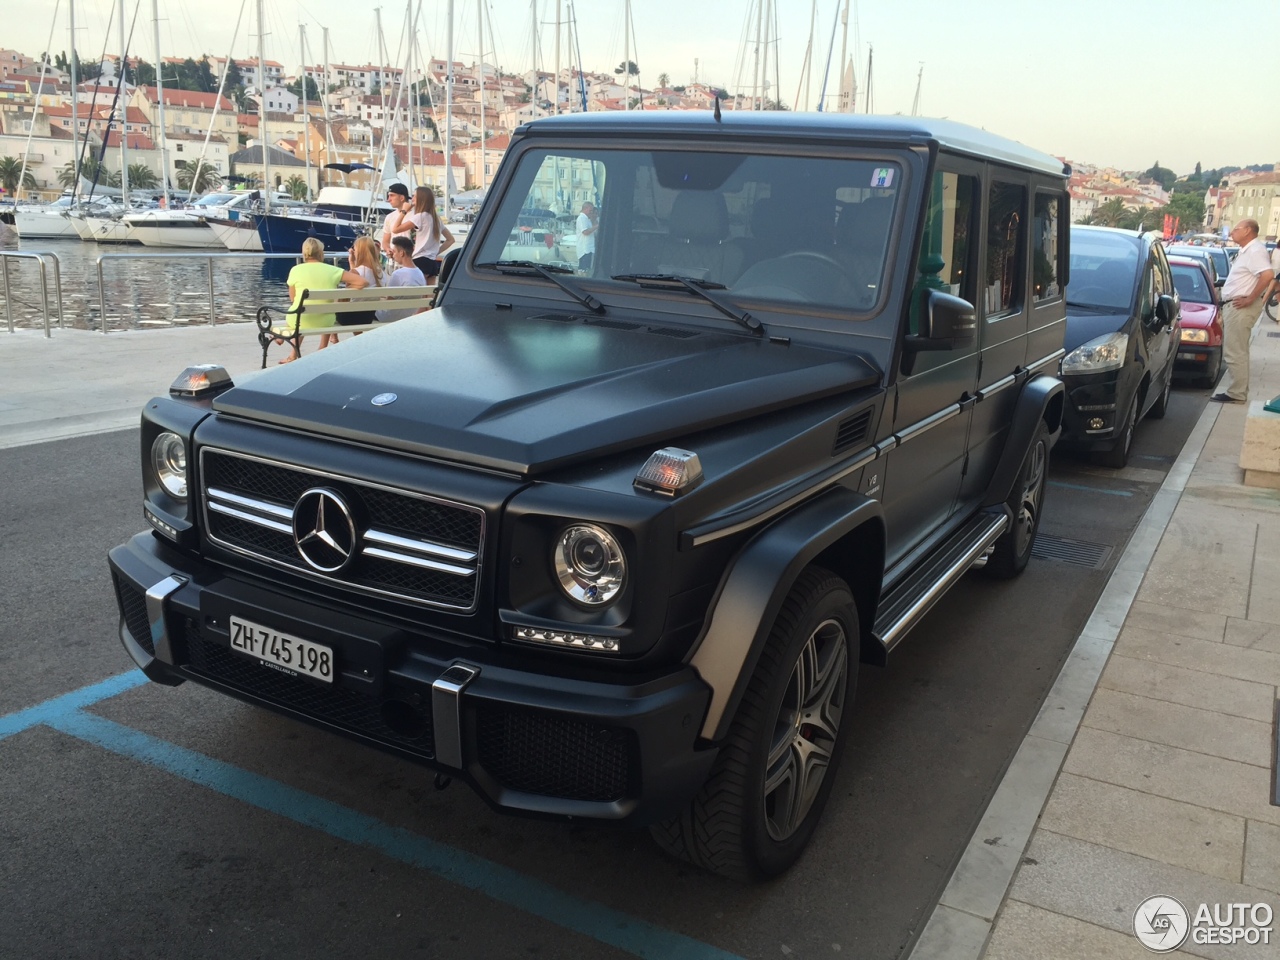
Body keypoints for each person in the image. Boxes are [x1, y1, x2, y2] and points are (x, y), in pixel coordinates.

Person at [1211, 219, 1275, 402]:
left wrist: (1251, 298)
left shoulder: (1255, 250)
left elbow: (1267, 275)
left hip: (1241, 307)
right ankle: (1237, 390)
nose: (1232, 232)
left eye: (1236, 229)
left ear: (1248, 231)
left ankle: (1236, 393)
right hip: (1235, 305)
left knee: (1235, 350)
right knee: (1237, 349)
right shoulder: (1248, 251)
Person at [280, 237, 368, 362]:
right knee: (321, 310)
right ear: (321, 253)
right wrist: (343, 291)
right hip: (325, 321)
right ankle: (320, 348)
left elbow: (293, 298)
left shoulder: (295, 270)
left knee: (300, 312)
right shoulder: (333, 270)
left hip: (300, 319)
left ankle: (292, 356)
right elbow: (362, 282)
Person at [389, 185, 454, 284]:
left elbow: (395, 229)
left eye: (414, 196)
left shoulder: (420, 216)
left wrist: (404, 211)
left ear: (421, 198)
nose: (412, 198)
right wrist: (435, 252)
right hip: (432, 261)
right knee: (428, 295)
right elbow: (450, 240)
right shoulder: (436, 218)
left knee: (418, 291)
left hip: (420, 259)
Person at [376, 235, 429, 322]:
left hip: (389, 317)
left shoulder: (398, 274)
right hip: (406, 317)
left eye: (394, 252)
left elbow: (389, 302)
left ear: (402, 253)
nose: (393, 255)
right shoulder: (420, 274)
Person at [336, 236, 384, 331]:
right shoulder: (380, 273)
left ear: (359, 252)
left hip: (350, 318)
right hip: (368, 316)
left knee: (333, 306)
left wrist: (352, 262)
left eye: (355, 249)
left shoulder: (356, 272)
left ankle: (333, 338)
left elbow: (345, 298)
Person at [381, 183, 410, 256]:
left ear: (402, 198)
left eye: (392, 195)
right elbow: (385, 241)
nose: (388, 199)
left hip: (411, 260)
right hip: (395, 260)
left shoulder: (416, 216)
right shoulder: (389, 217)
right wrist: (388, 249)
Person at [576, 200, 598, 273]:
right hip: (584, 249)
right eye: (590, 210)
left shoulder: (587, 219)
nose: (591, 212)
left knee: (588, 269)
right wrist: (596, 226)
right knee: (584, 270)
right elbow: (585, 232)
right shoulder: (582, 218)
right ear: (585, 209)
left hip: (589, 248)